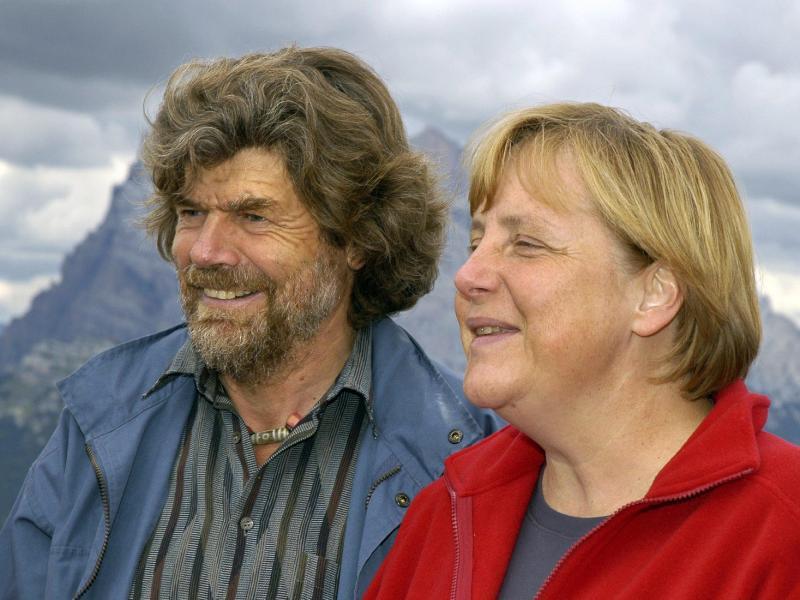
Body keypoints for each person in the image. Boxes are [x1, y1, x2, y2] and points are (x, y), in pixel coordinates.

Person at [0, 47, 499, 599]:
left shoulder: (467, 457)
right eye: (192, 213)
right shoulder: (100, 422)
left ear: (357, 238)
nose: (207, 252)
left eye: (253, 216)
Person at [366, 103, 800, 599]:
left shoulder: (783, 534)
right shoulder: (445, 513)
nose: (467, 277)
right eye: (475, 242)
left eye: (526, 243)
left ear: (654, 293)